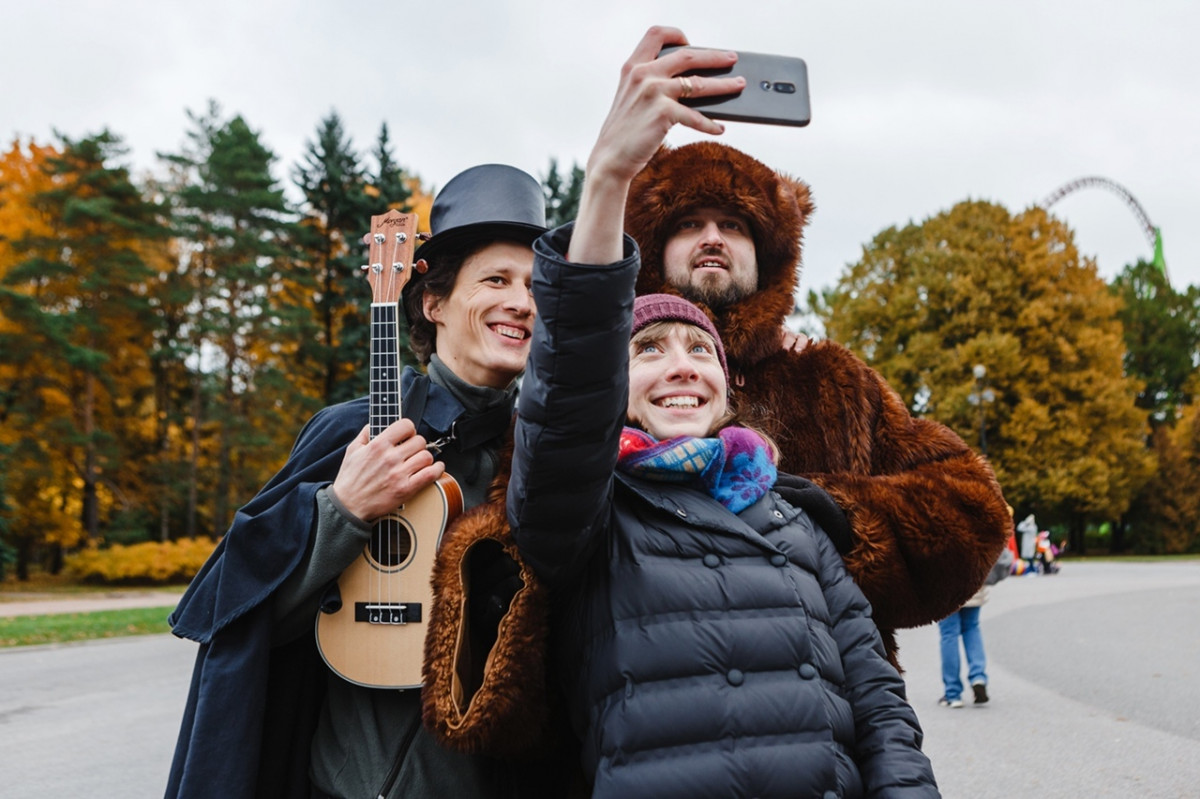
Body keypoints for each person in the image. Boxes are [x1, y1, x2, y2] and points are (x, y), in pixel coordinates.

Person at [503, 27, 939, 798]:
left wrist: (838, 512)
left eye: (700, 350)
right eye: (649, 349)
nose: (681, 364)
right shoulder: (593, 509)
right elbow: (563, 414)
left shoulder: (799, 507)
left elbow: (880, 705)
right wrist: (608, 176)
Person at [164, 163, 559, 799]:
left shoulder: (544, 459)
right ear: (432, 302)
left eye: (537, 287)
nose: (523, 302)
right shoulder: (349, 431)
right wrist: (342, 509)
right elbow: (248, 624)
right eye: (497, 279)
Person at [624, 125, 1012, 665]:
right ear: (654, 247)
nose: (712, 237)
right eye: (689, 223)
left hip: (836, 698)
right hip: (658, 690)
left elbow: (974, 509)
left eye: (733, 225)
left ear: (765, 254)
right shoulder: (607, 378)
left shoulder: (832, 378)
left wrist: (835, 518)